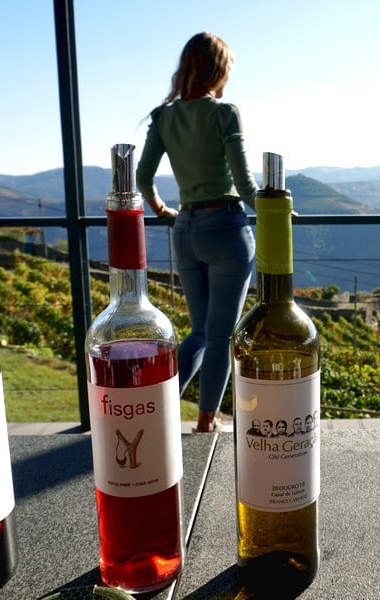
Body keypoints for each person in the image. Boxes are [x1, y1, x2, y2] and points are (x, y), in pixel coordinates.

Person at [136, 32, 258, 433]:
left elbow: (143, 176)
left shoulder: (164, 116)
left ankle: (156, 412)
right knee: (221, 336)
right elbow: (245, 186)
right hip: (224, 226)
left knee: (201, 331)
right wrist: (277, 213)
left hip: (184, 227)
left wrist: (159, 208)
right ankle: (207, 421)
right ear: (220, 70)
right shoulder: (223, 114)